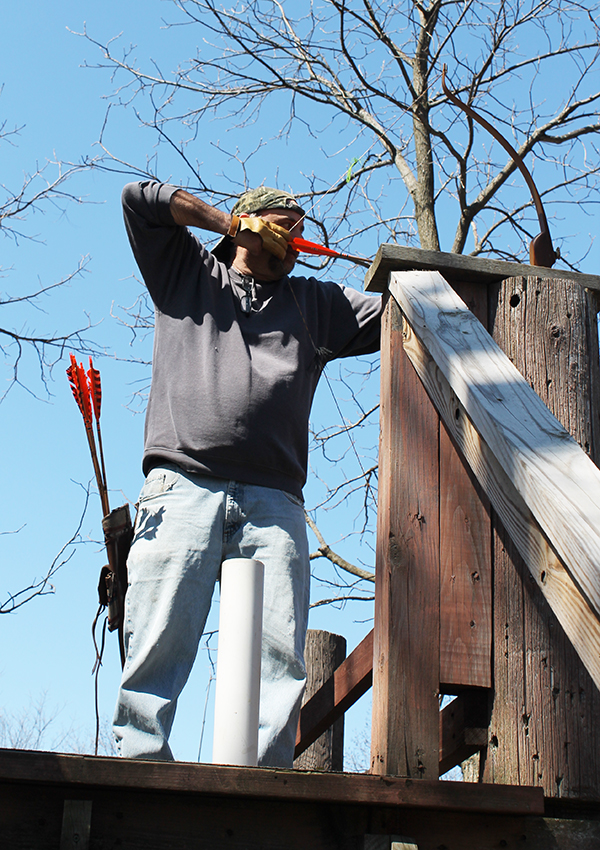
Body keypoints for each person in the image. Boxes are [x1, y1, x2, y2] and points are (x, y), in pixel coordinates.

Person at [114, 180, 383, 766]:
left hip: (274, 502)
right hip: (182, 485)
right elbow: (139, 198)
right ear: (249, 221)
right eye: (283, 223)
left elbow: (397, 315)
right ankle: (137, 770)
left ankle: (264, 780)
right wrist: (221, 224)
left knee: (277, 652)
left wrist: (419, 280)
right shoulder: (186, 272)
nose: (294, 236)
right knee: (158, 633)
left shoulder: (315, 305)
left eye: (299, 229)